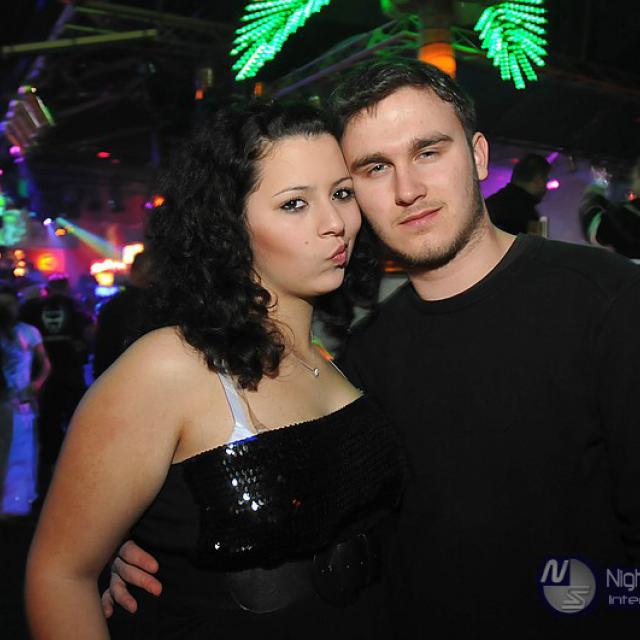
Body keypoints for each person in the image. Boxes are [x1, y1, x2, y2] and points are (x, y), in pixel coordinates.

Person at [107, 59, 640, 638]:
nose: (408, 190)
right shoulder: (360, 357)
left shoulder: (608, 301)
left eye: (428, 152)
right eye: (375, 168)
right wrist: (149, 536)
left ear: (479, 155)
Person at [25, 101, 404, 639]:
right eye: (294, 203)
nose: (335, 224)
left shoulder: (336, 358)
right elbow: (59, 576)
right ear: (229, 225)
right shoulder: (170, 366)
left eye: (342, 194)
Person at [19, 274, 93, 501]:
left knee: (48, 424)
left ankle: (50, 474)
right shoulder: (75, 306)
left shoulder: (33, 307)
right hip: (70, 373)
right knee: (75, 423)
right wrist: (82, 347)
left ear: (48, 288)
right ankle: (76, 472)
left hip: (44, 375)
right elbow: (90, 331)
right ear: (66, 287)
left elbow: (21, 332)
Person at [0, 284, 50, 515]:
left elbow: (45, 365)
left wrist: (36, 384)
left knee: (21, 452)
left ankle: (15, 505)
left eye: (9, 304)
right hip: (6, 402)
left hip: (21, 404)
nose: (6, 308)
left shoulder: (28, 331)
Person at [93, 251, 154, 379]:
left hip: (119, 376)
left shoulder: (113, 306)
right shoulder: (166, 305)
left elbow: (103, 350)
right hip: (152, 376)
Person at [579, 157, 640, 258]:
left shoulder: (627, 215)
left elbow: (593, 224)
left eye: (636, 174)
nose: (632, 176)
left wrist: (598, 184)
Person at [485, 152, 550, 235]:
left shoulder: (491, 204)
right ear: (539, 179)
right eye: (546, 180)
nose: (546, 187)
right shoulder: (527, 214)